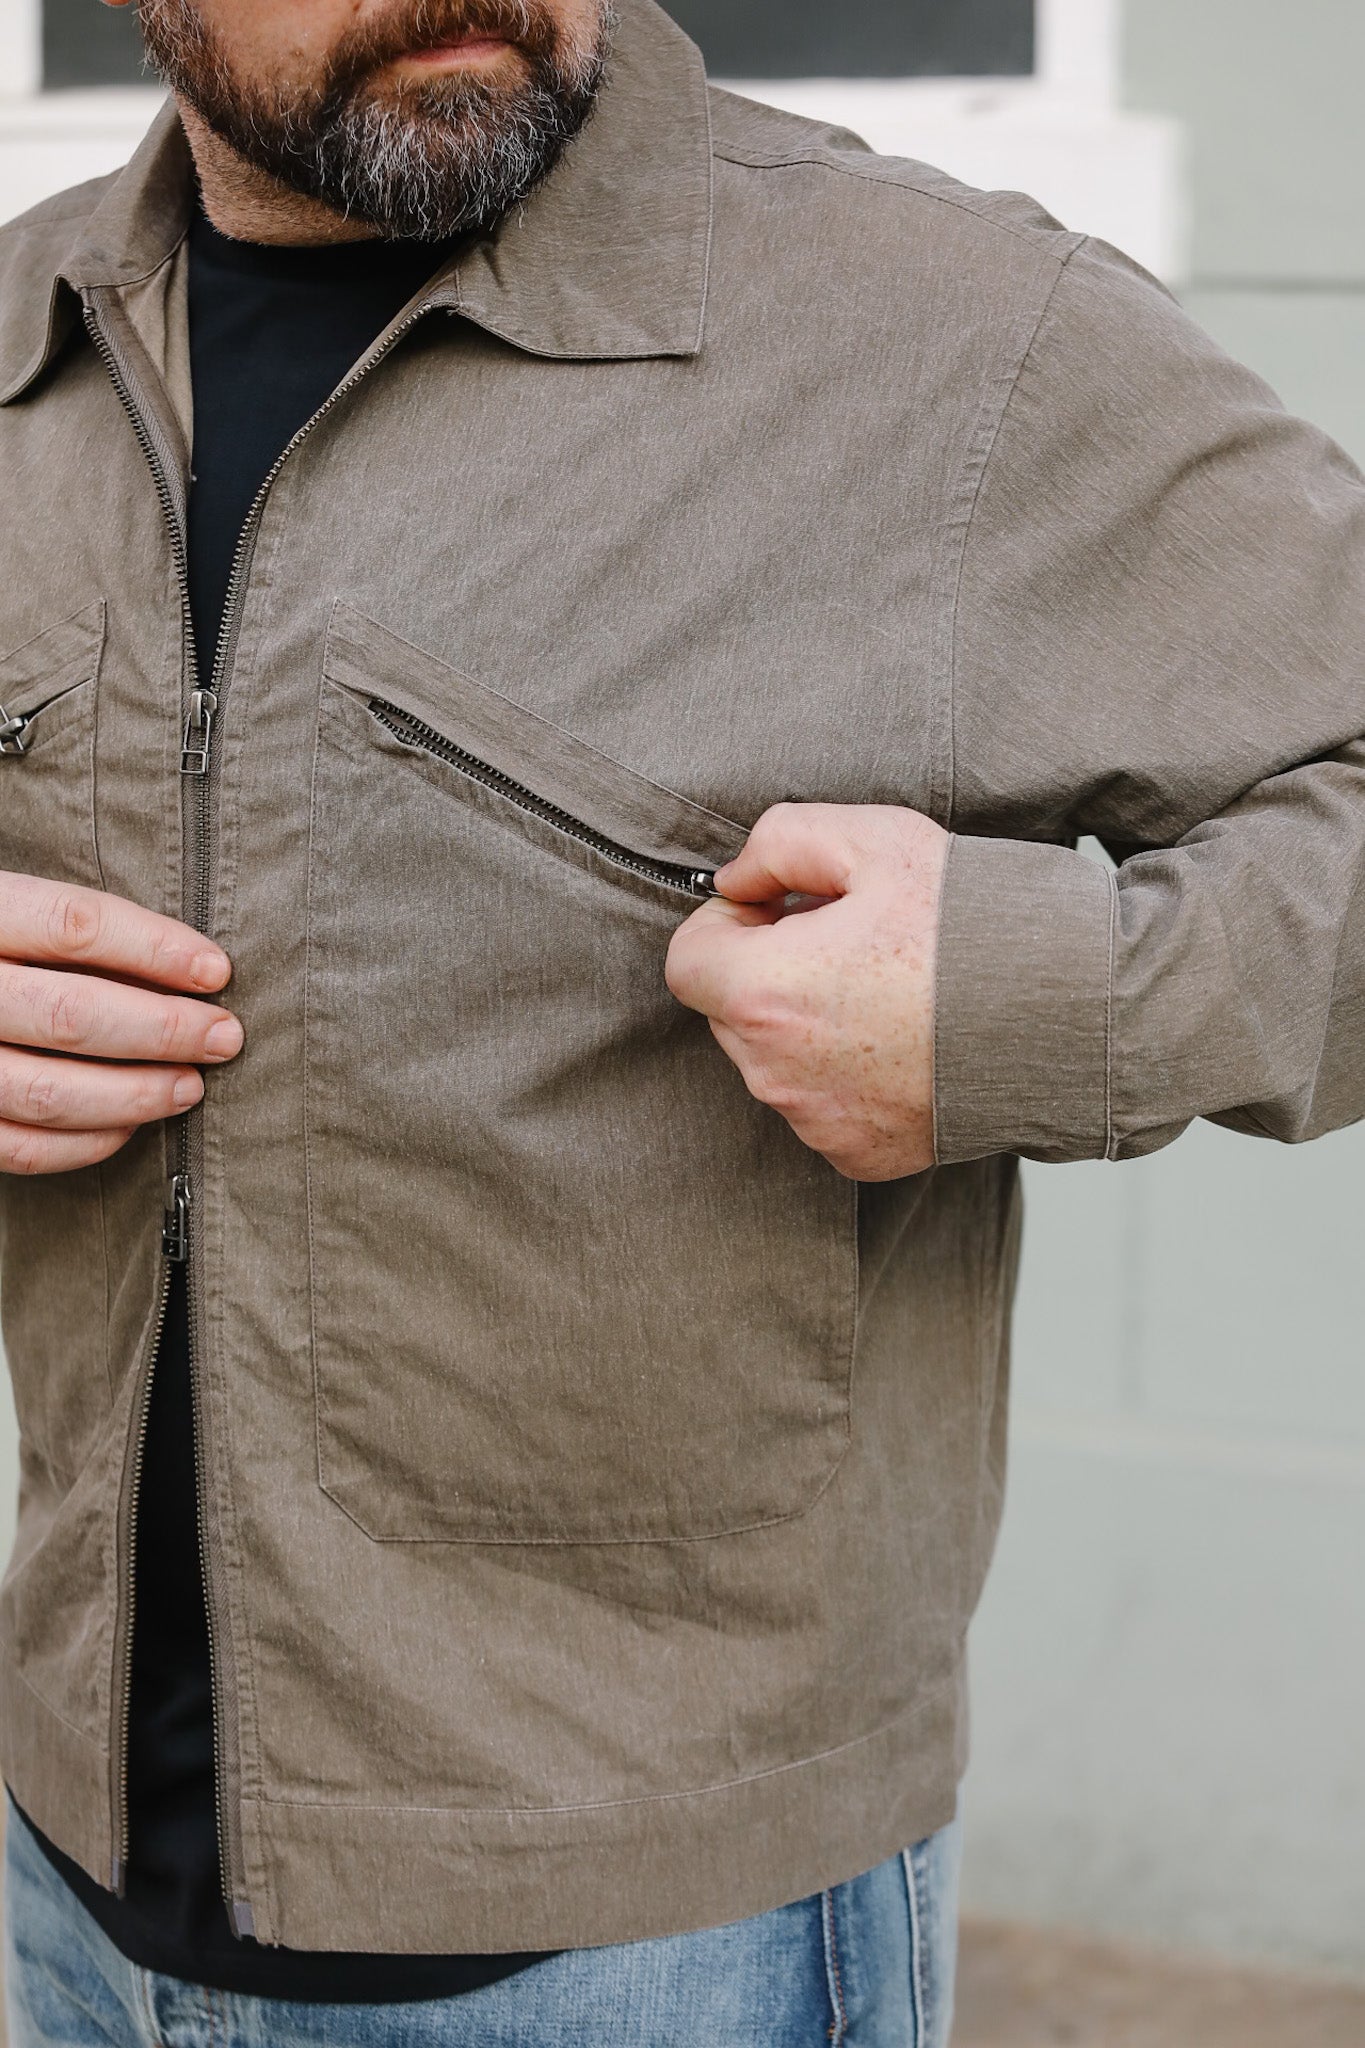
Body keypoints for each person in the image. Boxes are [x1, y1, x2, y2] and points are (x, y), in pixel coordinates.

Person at [0, 0, 1361, 2040]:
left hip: (654, 1941)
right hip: (75, 1880)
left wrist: (1032, 1000)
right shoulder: (24, 339)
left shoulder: (947, 335)